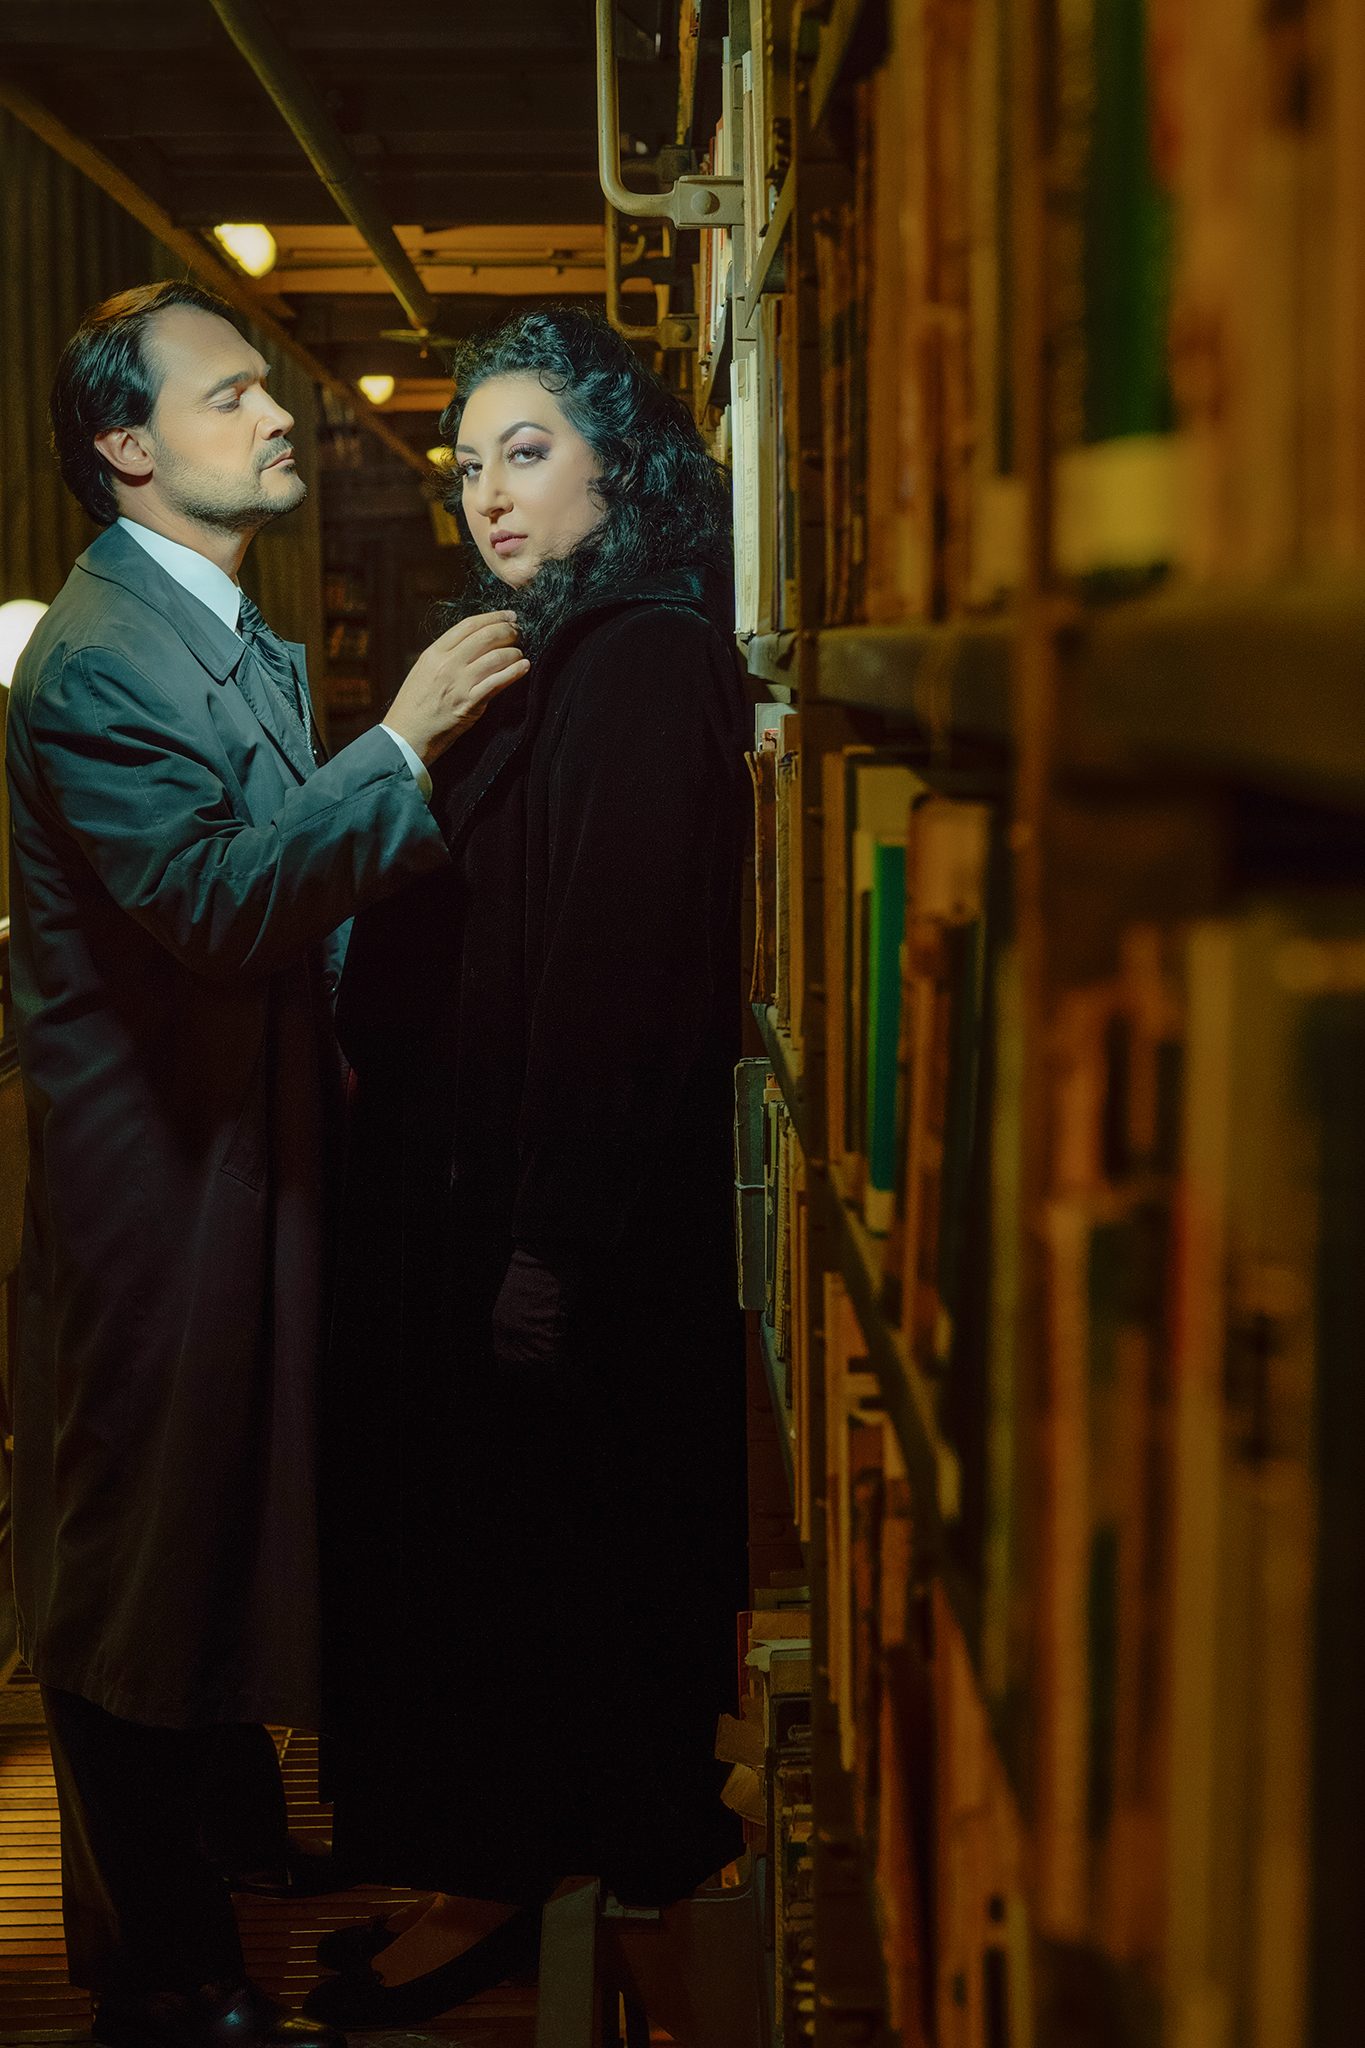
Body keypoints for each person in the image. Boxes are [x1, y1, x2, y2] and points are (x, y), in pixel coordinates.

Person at [5, 278, 527, 2048]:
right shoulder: (100, 657)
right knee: (132, 1561)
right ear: (128, 446)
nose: (275, 410)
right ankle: (161, 1968)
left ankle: (230, 1846)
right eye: (228, 393)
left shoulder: (203, 624)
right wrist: (405, 738)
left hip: (233, 1156)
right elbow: (224, 902)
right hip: (154, 1185)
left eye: (265, 386)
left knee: (213, 1512)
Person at [305, 308, 751, 2028]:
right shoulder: (537, 646)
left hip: (550, 1222)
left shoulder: (640, 657)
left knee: (546, 1569)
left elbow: (616, 971)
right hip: (474, 1201)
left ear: (617, 465)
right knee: (491, 1570)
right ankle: (487, 1875)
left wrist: (549, 1246)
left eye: (527, 450)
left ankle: (538, 1890)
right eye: (466, 463)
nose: (486, 490)